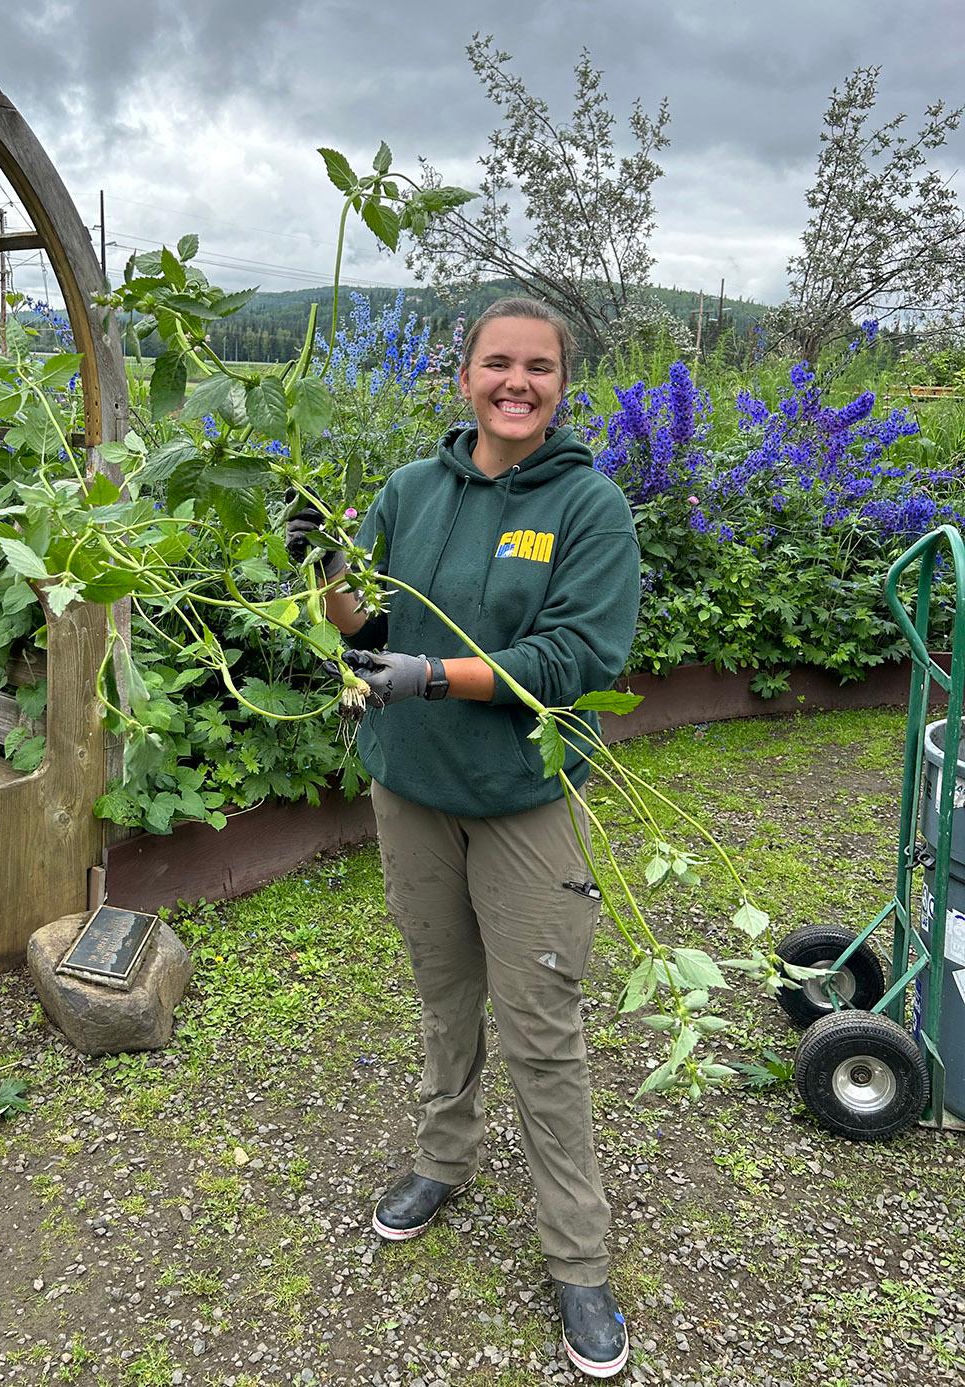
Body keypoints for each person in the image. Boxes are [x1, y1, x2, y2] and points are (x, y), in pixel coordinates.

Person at [287, 297, 640, 1379]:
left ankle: (578, 1259)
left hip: (523, 800)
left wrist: (436, 677)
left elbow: (581, 655)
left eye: (538, 367)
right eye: (499, 363)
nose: (517, 382)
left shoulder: (587, 505)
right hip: (411, 788)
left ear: (560, 384)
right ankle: (444, 1158)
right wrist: (326, 575)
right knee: (445, 995)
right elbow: (373, 629)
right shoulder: (410, 489)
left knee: (542, 1021)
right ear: (465, 376)